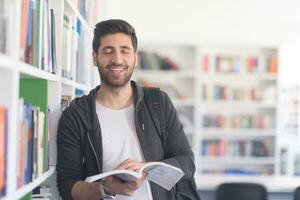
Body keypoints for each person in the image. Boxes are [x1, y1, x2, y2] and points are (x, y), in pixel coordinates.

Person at [56, 19, 199, 200]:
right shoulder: (76, 115)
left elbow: (187, 162)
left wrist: (146, 167)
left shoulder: (158, 103)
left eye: (125, 50)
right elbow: (67, 186)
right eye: (108, 51)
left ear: (135, 58)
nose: (117, 59)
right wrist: (104, 189)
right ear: (95, 57)